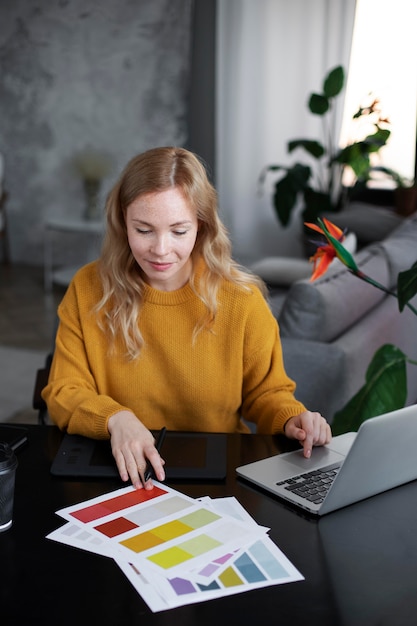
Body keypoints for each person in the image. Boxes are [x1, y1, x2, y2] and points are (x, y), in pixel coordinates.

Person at [42, 146, 331, 490]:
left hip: (217, 477)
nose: (161, 249)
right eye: (144, 230)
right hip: (118, 470)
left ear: (202, 225)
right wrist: (114, 418)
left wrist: (292, 417)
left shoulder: (242, 300)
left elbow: (267, 394)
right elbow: (63, 391)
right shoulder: (88, 288)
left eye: (179, 231)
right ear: (122, 222)